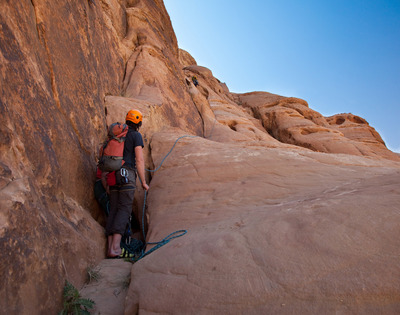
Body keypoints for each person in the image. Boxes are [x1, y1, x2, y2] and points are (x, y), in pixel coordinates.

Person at [106, 110, 149, 258]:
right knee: (124, 210)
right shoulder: (136, 136)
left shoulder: (119, 135)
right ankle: (116, 248)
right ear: (139, 123)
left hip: (113, 175)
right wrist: (143, 182)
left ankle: (110, 247)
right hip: (127, 175)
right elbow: (139, 160)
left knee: (114, 210)